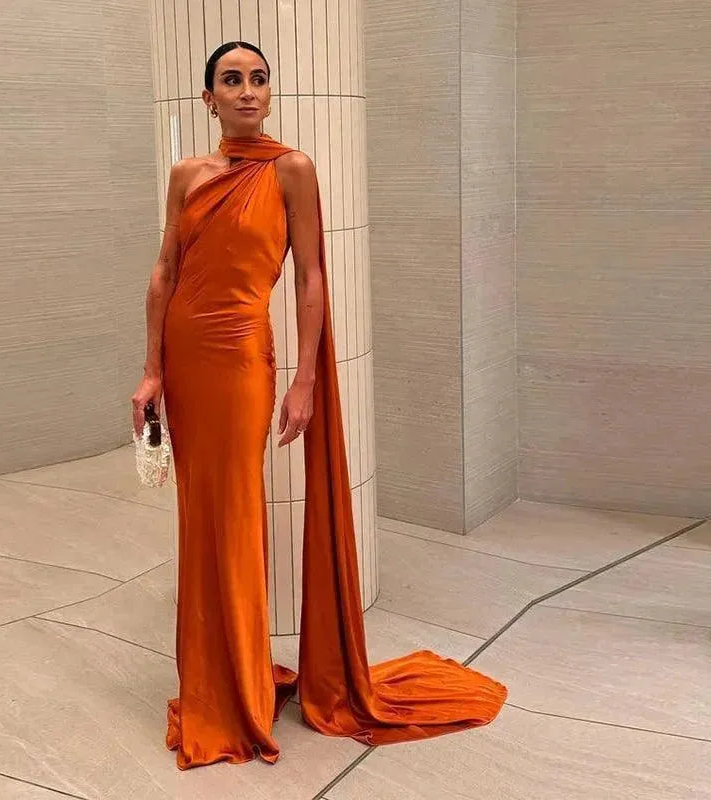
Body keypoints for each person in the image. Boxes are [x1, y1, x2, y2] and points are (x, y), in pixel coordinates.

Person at [130, 40, 508, 771]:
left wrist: (303, 379)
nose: (246, 91)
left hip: (243, 356)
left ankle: (237, 691)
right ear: (208, 98)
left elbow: (310, 278)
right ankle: (213, 678)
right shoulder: (187, 175)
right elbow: (164, 270)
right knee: (199, 514)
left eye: (258, 79)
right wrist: (150, 370)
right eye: (230, 81)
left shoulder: (291, 170)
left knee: (236, 510)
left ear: (270, 93)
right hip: (184, 358)